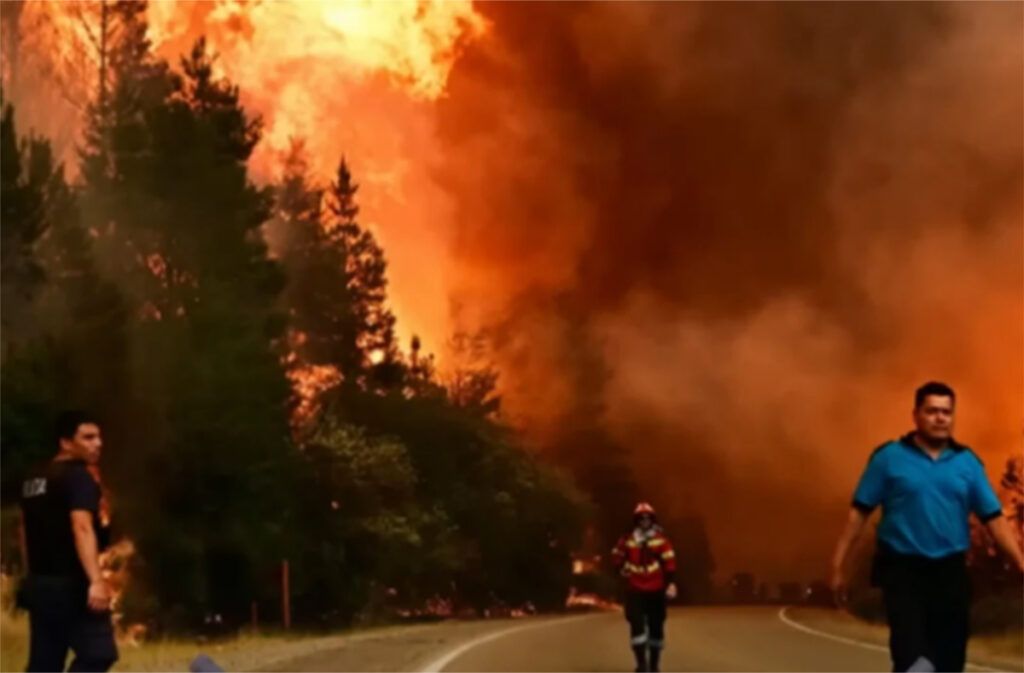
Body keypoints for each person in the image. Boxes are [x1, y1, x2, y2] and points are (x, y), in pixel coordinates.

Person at [830, 382, 1024, 673]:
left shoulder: (967, 463)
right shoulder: (888, 458)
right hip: (902, 570)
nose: (940, 418)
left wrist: (1020, 562)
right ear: (916, 415)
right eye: (932, 411)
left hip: (950, 572)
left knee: (949, 660)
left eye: (946, 412)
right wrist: (838, 565)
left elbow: (994, 519)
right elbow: (858, 515)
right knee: (915, 659)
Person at [18, 411, 118, 672]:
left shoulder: (33, 479)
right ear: (65, 442)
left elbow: (24, 529)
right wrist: (95, 581)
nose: (98, 444)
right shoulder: (78, 477)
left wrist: (30, 576)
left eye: (98, 437)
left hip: (42, 584)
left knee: (45, 663)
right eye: (88, 437)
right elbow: (81, 526)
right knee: (99, 653)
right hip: (72, 585)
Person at [611, 502, 678, 673]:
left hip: (656, 589)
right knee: (636, 625)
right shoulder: (627, 539)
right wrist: (620, 568)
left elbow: (669, 562)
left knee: (656, 627)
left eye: (648, 519)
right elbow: (616, 557)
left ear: (653, 520)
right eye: (641, 519)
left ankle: (654, 665)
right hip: (635, 589)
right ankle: (641, 664)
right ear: (636, 521)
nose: (644, 522)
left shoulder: (661, 540)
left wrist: (670, 583)